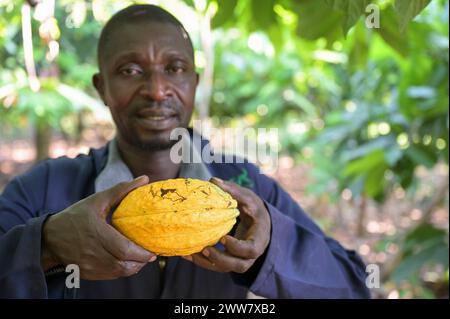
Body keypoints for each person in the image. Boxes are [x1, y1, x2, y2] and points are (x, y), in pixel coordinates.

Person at [0, 4, 370, 298]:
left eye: (174, 68)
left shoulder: (246, 189)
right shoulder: (44, 190)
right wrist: (46, 245)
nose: (157, 89)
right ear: (101, 87)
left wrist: (272, 248)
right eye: (130, 70)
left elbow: (355, 287)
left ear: (193, 82)